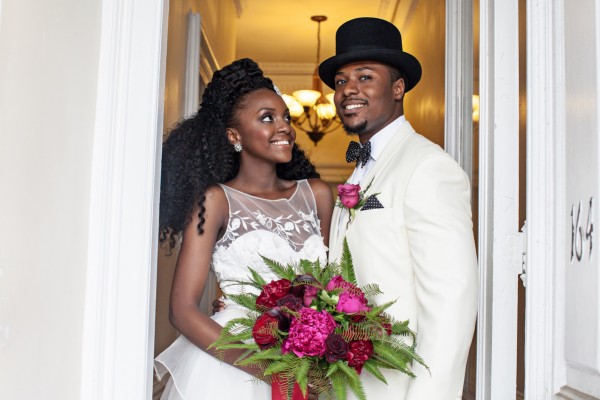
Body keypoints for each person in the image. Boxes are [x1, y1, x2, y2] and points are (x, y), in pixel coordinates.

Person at [318, 17, 478, 399]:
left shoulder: (428, 166)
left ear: (398, 87)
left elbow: (451, 305)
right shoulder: (358, 171)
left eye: (365, 77)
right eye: (341, 81)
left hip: (397, 387)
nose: (348, 90)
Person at [154, 58, 333, 399]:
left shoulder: (318, 195)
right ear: (234, 135)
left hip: (304, 359)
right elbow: (182, 309)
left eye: (286, 117)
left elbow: (329, 287)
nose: (284, 127)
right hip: (232, 363)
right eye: (267, 118)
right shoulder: (216, 200)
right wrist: (269, 370)